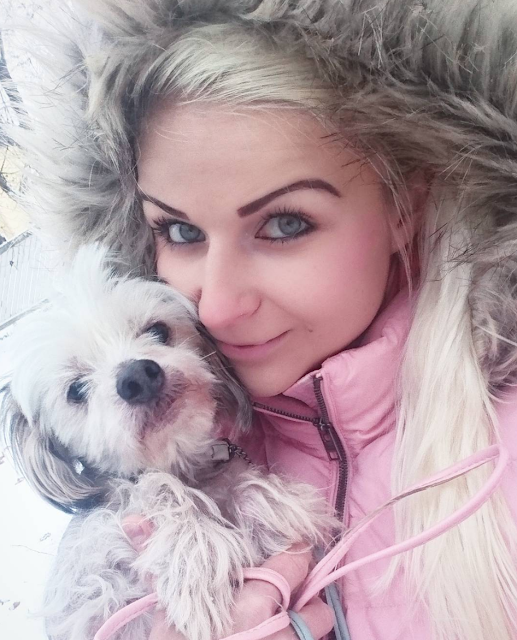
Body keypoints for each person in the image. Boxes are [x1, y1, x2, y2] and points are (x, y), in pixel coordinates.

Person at [11, 0, 517, 638]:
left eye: (284, 224)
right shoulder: (142, 510)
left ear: (403, 208)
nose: (215, 308)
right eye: (180, 231)